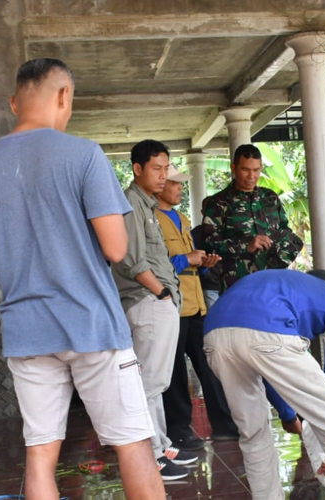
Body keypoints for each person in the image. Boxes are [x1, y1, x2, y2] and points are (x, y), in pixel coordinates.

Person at [0, 58, 166, 500]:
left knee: (39, 456)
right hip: (92, 324)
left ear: (15, 102)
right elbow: (115, 248)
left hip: (27, 331)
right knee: (132, 444)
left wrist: (24, 249)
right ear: (64, 95)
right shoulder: (84, 155)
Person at [203, 269, 325, 500]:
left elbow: (267, 369)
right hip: (267, 329)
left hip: (214, 335)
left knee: (253, 433)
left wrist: (288, 416)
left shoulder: (281, 287)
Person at [111, 140, 198, 481]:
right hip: (148, 302)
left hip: (159, 303)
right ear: (137, 169)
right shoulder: (131, 204)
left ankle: (161, 445)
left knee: (156, 382)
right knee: (147, 384)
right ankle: (148, 456)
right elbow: (132, 260)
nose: (164, 176)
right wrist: (161, 293)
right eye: (157, 169)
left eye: (166, 168)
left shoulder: (146, 205)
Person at [155, 165, 240, 451]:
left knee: (211, 363)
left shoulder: (181, 218)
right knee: (176, 370)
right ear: (160, 183)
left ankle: (225, 425)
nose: (180, 188)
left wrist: (204, 265)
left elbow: (190, 264)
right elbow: (147, 265)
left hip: (196, 303)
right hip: (171, 306)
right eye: (175, 183)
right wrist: (186, 260)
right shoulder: (149, 219)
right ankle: (179, 430)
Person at [201, 144, 303, 292]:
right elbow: (209, 244)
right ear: (233, 168)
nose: (251, 176)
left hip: (272, 282)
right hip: (237, 285)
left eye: (256, 170)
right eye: (245, 170)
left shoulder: (270, 197)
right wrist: (246, 246)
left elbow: (284, 231)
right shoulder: (218, 203)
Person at [191, 196, 221, 309]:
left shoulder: (230, 230)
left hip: (230, 284)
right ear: (203, 212)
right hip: (209, 285)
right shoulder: (196, 233)